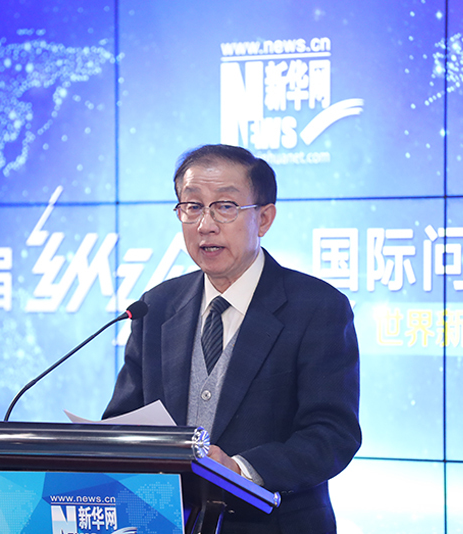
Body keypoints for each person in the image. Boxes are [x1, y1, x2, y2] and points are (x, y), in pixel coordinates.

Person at [103, 144, 361, 533]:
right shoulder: (156, 306)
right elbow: (122, 423)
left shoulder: (317, 307)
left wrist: (240, 470)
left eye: (225, 206)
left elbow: (332, 434)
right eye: (192, 206)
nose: (205, 225)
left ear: (265, 218)